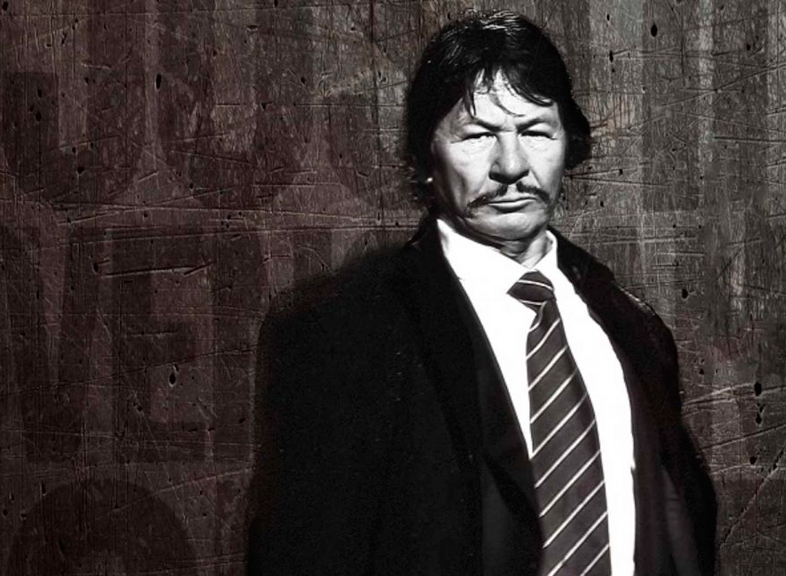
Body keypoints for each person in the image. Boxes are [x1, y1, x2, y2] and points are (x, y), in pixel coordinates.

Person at [247, 11, 716, 576]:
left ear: (568, 144)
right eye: (478, 135)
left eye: (535, 131)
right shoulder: (344, 332)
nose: (511, 166)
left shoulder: (633, 328)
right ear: (426, 157)